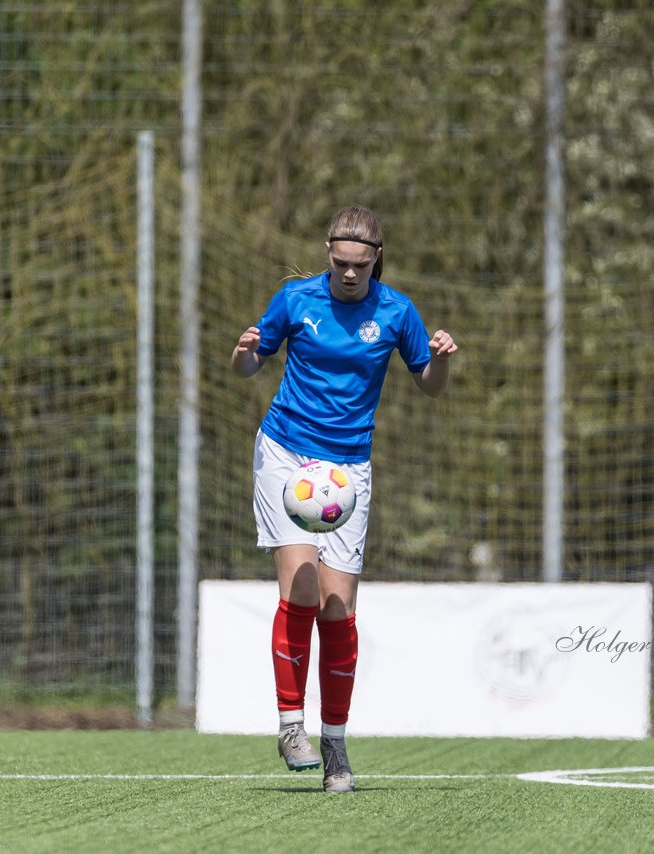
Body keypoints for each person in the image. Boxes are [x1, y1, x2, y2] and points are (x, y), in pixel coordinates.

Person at [231, 206, 457, 793]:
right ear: (327, 254)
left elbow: (427, 384)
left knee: (337, 609)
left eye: (360, 264)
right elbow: (250, 365)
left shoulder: (397, 311)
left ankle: (335, 744)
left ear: (376, 258)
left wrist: (444, 363)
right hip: (286, 454)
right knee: (301, 588)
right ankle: (290, 726)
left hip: (348, 468)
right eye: (340, 263)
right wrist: (244, 352)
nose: (350, 274)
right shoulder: (296, 299)